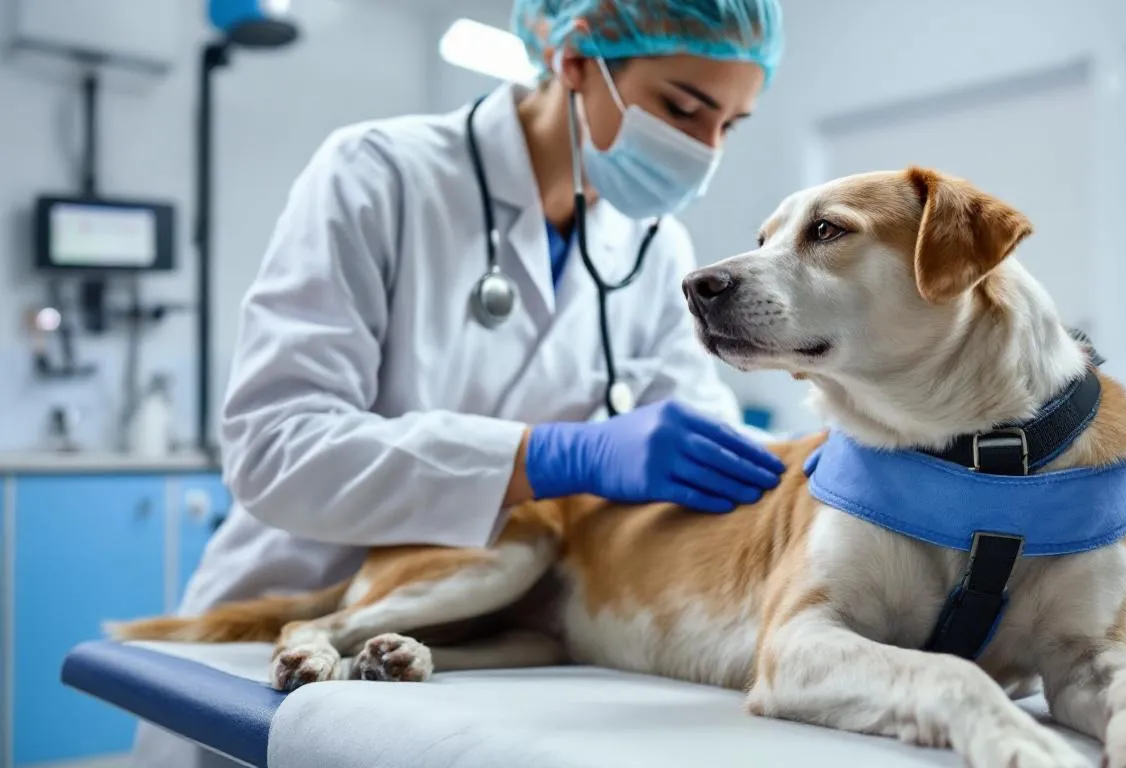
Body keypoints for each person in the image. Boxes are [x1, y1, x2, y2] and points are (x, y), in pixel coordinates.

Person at [131, 0, 786, 764]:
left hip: (486, 660)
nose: (704, 150)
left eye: (730, 126)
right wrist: (547, 457)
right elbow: (275, 448)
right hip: (296, 621)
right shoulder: (380, 173)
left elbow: (708, 452)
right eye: (682, 107)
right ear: (576, 61)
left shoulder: (653, 243)